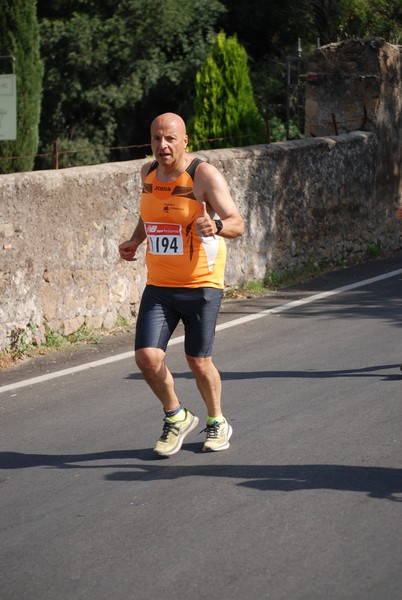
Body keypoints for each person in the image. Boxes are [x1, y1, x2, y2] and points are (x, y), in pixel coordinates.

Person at [119, 113, 244, 456]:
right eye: (157, 139)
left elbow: (237, 223)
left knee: (197, 361)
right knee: (146, 357)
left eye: (170, 138)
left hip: (201, 284)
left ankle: (217, 420)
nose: (163, 145)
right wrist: (135, 240)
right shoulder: (147, 173)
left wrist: (215, 227)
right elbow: (152, 215)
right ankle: (176, 415)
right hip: (159, 284)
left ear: (185, 141)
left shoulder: (202, 175)